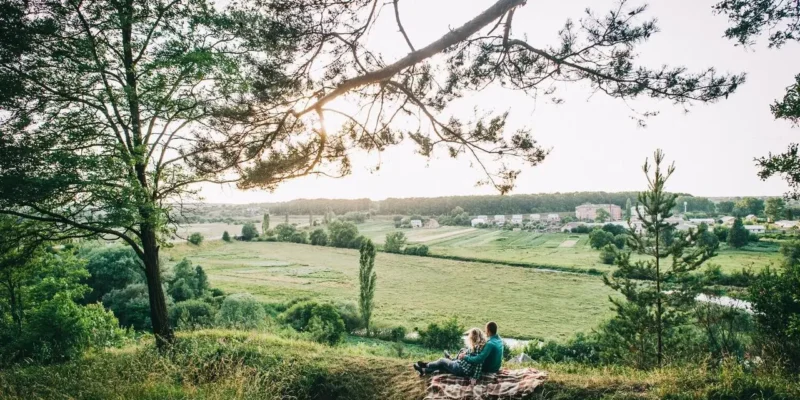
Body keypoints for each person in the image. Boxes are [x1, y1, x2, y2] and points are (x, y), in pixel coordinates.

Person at [413, 328, 486, 384]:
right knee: (442, 366)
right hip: (460, 366)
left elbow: (479, 363)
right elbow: (472, 358)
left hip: (460, 369)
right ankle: (423, 370)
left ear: (473, 337)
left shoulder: (478, 348)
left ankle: (426, 365)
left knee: (441, 361)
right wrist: (465, 354)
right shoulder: (477, 346)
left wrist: (475, 377)